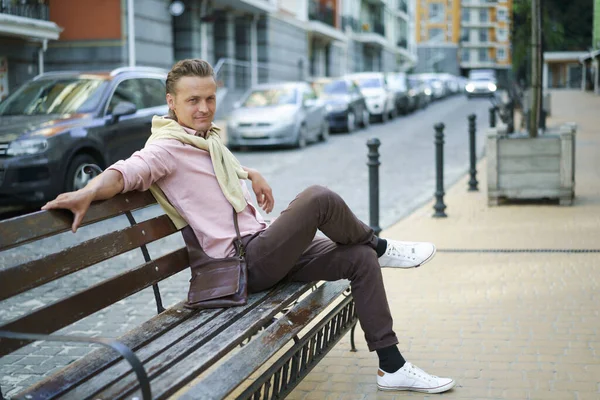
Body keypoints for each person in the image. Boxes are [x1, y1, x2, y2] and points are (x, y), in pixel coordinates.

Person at [42, 59, 455, 394]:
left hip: (265, 248)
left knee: (360, 260)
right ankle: (383, 246)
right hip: (244, 264)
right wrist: (88, 192)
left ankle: (392, 365)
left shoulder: (207, 142)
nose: (203, 108)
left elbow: (221, 172)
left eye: (209, 98)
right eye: (192, 101)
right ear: (171, 103)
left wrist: (251, 172)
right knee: (318, 198)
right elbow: (126, 172)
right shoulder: (165, 148)